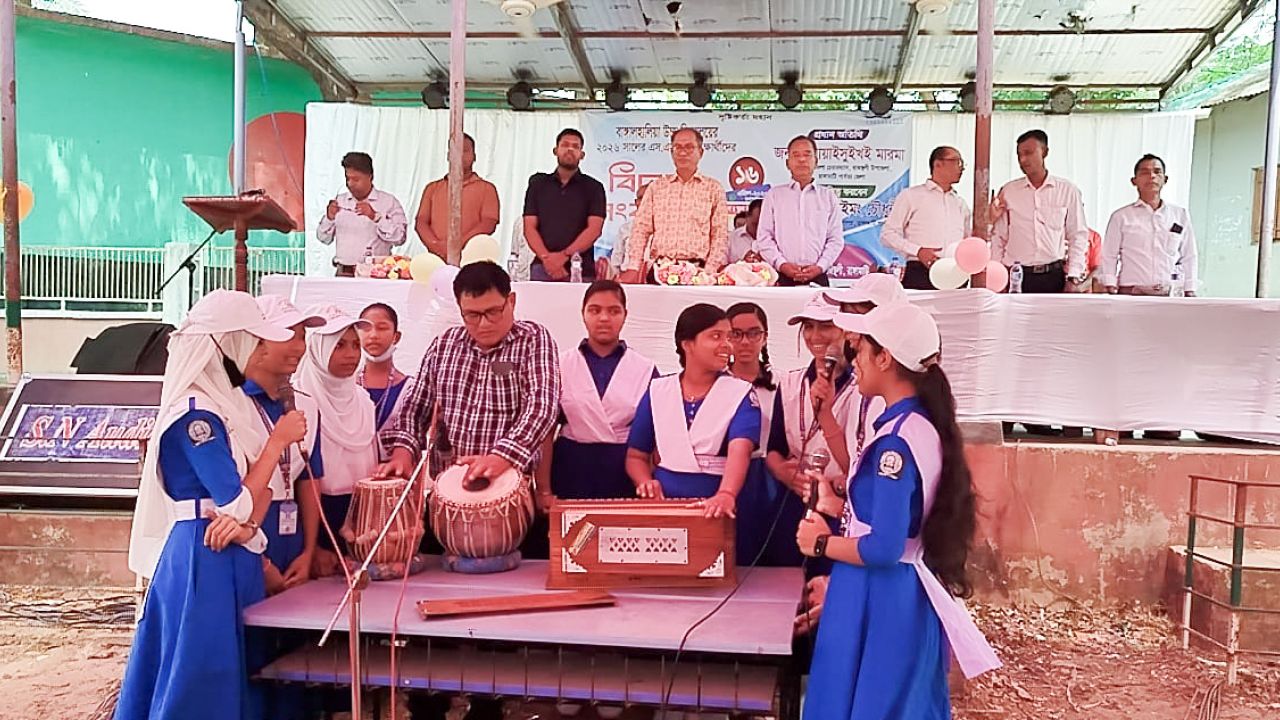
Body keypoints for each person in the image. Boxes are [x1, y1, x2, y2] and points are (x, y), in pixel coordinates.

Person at [798, 301, 1000, 718]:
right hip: (892, 591)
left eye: (861, 349)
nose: (855, 360)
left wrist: (820, 543)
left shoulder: (896, 441)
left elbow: (885, 547)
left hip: (880, 594)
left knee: (869, 701)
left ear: (885, 357)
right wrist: (841, 506)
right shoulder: (914, 424)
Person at [117, 290, 306, 720]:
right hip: (205, 555)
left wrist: (245, 527)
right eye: (251, 341)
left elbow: (254, 498)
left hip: (226, 551)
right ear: (229, 345)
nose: (256, 351)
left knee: (234, 665)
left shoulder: (220, 410)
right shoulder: (195, 417)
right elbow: (236, 498)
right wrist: (277, 443)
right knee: (202, 667)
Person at [377, 261, 560, 527]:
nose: (483, 324)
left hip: (510, 491)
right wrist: (403, 451)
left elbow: (542, 407)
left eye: (493, 312)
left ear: (512, 301)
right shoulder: (445, 345)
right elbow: (415, 408)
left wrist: (502, 457)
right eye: (471, 315)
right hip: (449, 494)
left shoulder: (533, 339)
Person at [626, 304, 762, 561]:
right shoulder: (658, 390)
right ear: (687, 344)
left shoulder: (741, 393)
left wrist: (725, 494)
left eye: (728, 336)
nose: (726, 345)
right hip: (666, 512)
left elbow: (740, 450)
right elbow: (635, 456)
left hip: (721, 509)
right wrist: (645, 482)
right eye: (715, 336)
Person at [763, 294, 876, 569]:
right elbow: (774, 447)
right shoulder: (789, 383)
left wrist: (838, 482)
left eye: (825, 326)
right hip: (794, 500)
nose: (815, 335)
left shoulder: (866, 389)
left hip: (841, 502)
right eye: (809, 327)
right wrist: (783, 472)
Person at [538, 280, 657, 505]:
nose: (604, 318)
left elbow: (655, 435)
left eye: (614, 311)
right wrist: (543, 489)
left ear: (625, 315)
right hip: (571, 468)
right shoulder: (560, 364)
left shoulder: (644, 368)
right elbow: (545, 431)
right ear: (583, 314)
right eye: (595, 310)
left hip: (624, 469)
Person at [249, 295, 326, 596]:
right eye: (287, 336)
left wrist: (308, 550)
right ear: (257, 341)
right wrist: (261, 563)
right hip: (251, 533)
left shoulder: (306, 405)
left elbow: (309, 479)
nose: (298, 347)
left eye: (302, 336)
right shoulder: (234, 403)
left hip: (291, 536)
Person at [295, 305, 378, 571]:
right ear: (318, 348)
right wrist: (311, 548)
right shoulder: (299, 400)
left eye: (355, 345)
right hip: (313, 523)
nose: (351, 354)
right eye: (339, 345)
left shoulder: (363, 401)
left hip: (360, 522)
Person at [619, 129, 730, 282]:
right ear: (671, 153)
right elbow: (640, 230)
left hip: (698, 272)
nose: (683, 152)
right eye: (677, 147)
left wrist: (709, 272)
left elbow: (720, 235)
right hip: (660, 270)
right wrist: (633, 267)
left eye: (689, 147)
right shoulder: (657, 187)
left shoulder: (713, 188)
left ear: (701, 152)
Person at [991, 129, 1090, 293]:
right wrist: (998, 276)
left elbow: (1078, 235)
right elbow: (999, 237)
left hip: (1053, 275)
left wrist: (1073, 276)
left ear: (1044, 152)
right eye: (1019, 155)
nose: (1023, 160)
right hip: (1016, 276)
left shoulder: (1067, 190)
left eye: (1029, 153)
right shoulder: (1009, 191)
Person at [1101, 154, 1198, 297]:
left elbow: (1189, 254)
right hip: (1131, 292)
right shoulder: (1121, 216)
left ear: (1165, 179)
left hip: (1169, 292)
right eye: (1145, 172)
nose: (1151, 176)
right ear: (1134, 181)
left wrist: (1190, 288)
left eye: (1157, 172)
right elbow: (1109, 254)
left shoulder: (1179, 215)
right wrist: (1110, 284)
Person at [726, 302, 777, 565]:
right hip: (730, 474)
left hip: (772, 476)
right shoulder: (717, 384)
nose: (745, 342)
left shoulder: (781, 384)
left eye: (754, 333)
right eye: (736, 333)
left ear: (765, 337)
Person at [757, 136, 845, 287]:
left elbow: (835, 239)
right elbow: (764, 237)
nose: (802, 160)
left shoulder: (827, 196)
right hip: (782, 275)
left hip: (818, 275)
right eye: (796, 155)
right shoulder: (775, 195)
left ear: (816, 161)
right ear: (787, 163)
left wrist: (820, 266)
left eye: (807, 154)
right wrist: (782, 264)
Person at [881, 146, 973, 290]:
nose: (961, 168)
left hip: (955, 273)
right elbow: (888, 235)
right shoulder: (911, 196)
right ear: (938, 164)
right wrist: (918, 251)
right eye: (957, 161)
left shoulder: (960, 203)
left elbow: (968, 240)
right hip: (920, 271)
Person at [524, 128, 608, 282]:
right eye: (565, 145)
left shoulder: (594, 187)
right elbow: (529, 227)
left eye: (576, 147)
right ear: (555, 150)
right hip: (542, 266)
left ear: (582, 155)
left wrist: (564, 256)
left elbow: (594, 229)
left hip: (581, 268)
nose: (570, 149)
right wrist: (547, 259)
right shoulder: (538, 184)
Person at [316, 152, 409, 277]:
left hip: (375, 274)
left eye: (356, 179)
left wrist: (375, 217)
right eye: (347, 178)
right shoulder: (340, 201)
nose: (350, 184)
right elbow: (323, 238)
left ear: (370, 177)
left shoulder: (388, 202)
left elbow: (400, 238)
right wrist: (329, 218)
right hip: (344, 273)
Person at [415, 133, 501, 257]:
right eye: (455, 151)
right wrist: (436, 245)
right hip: (436, 257)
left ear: (474, 156)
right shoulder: (432, 188)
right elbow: (421, 222)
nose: (460, 155)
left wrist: (457, 245)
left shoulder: (487, 189)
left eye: (465, 151)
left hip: (472, 258)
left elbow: (488, 224)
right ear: (448, 156)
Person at [356, 302, 413, 436]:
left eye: (382, 328)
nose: (373, 335)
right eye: (366, 328)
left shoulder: (410, 389)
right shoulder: (345, 384)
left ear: (396, 336)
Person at [610, 182, 649, 276]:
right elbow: (616, 260)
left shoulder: (668, 229)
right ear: (636, 202)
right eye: (641, 198)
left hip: (659, 280)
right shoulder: (625, 229)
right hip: (628, 279)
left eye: (649, 197)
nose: (645, 201)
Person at [728, 199, 764, 264]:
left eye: (763, 226)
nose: (759, 229)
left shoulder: (776, 240)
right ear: (747, 216)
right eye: (755, 224)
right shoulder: (731, 238)